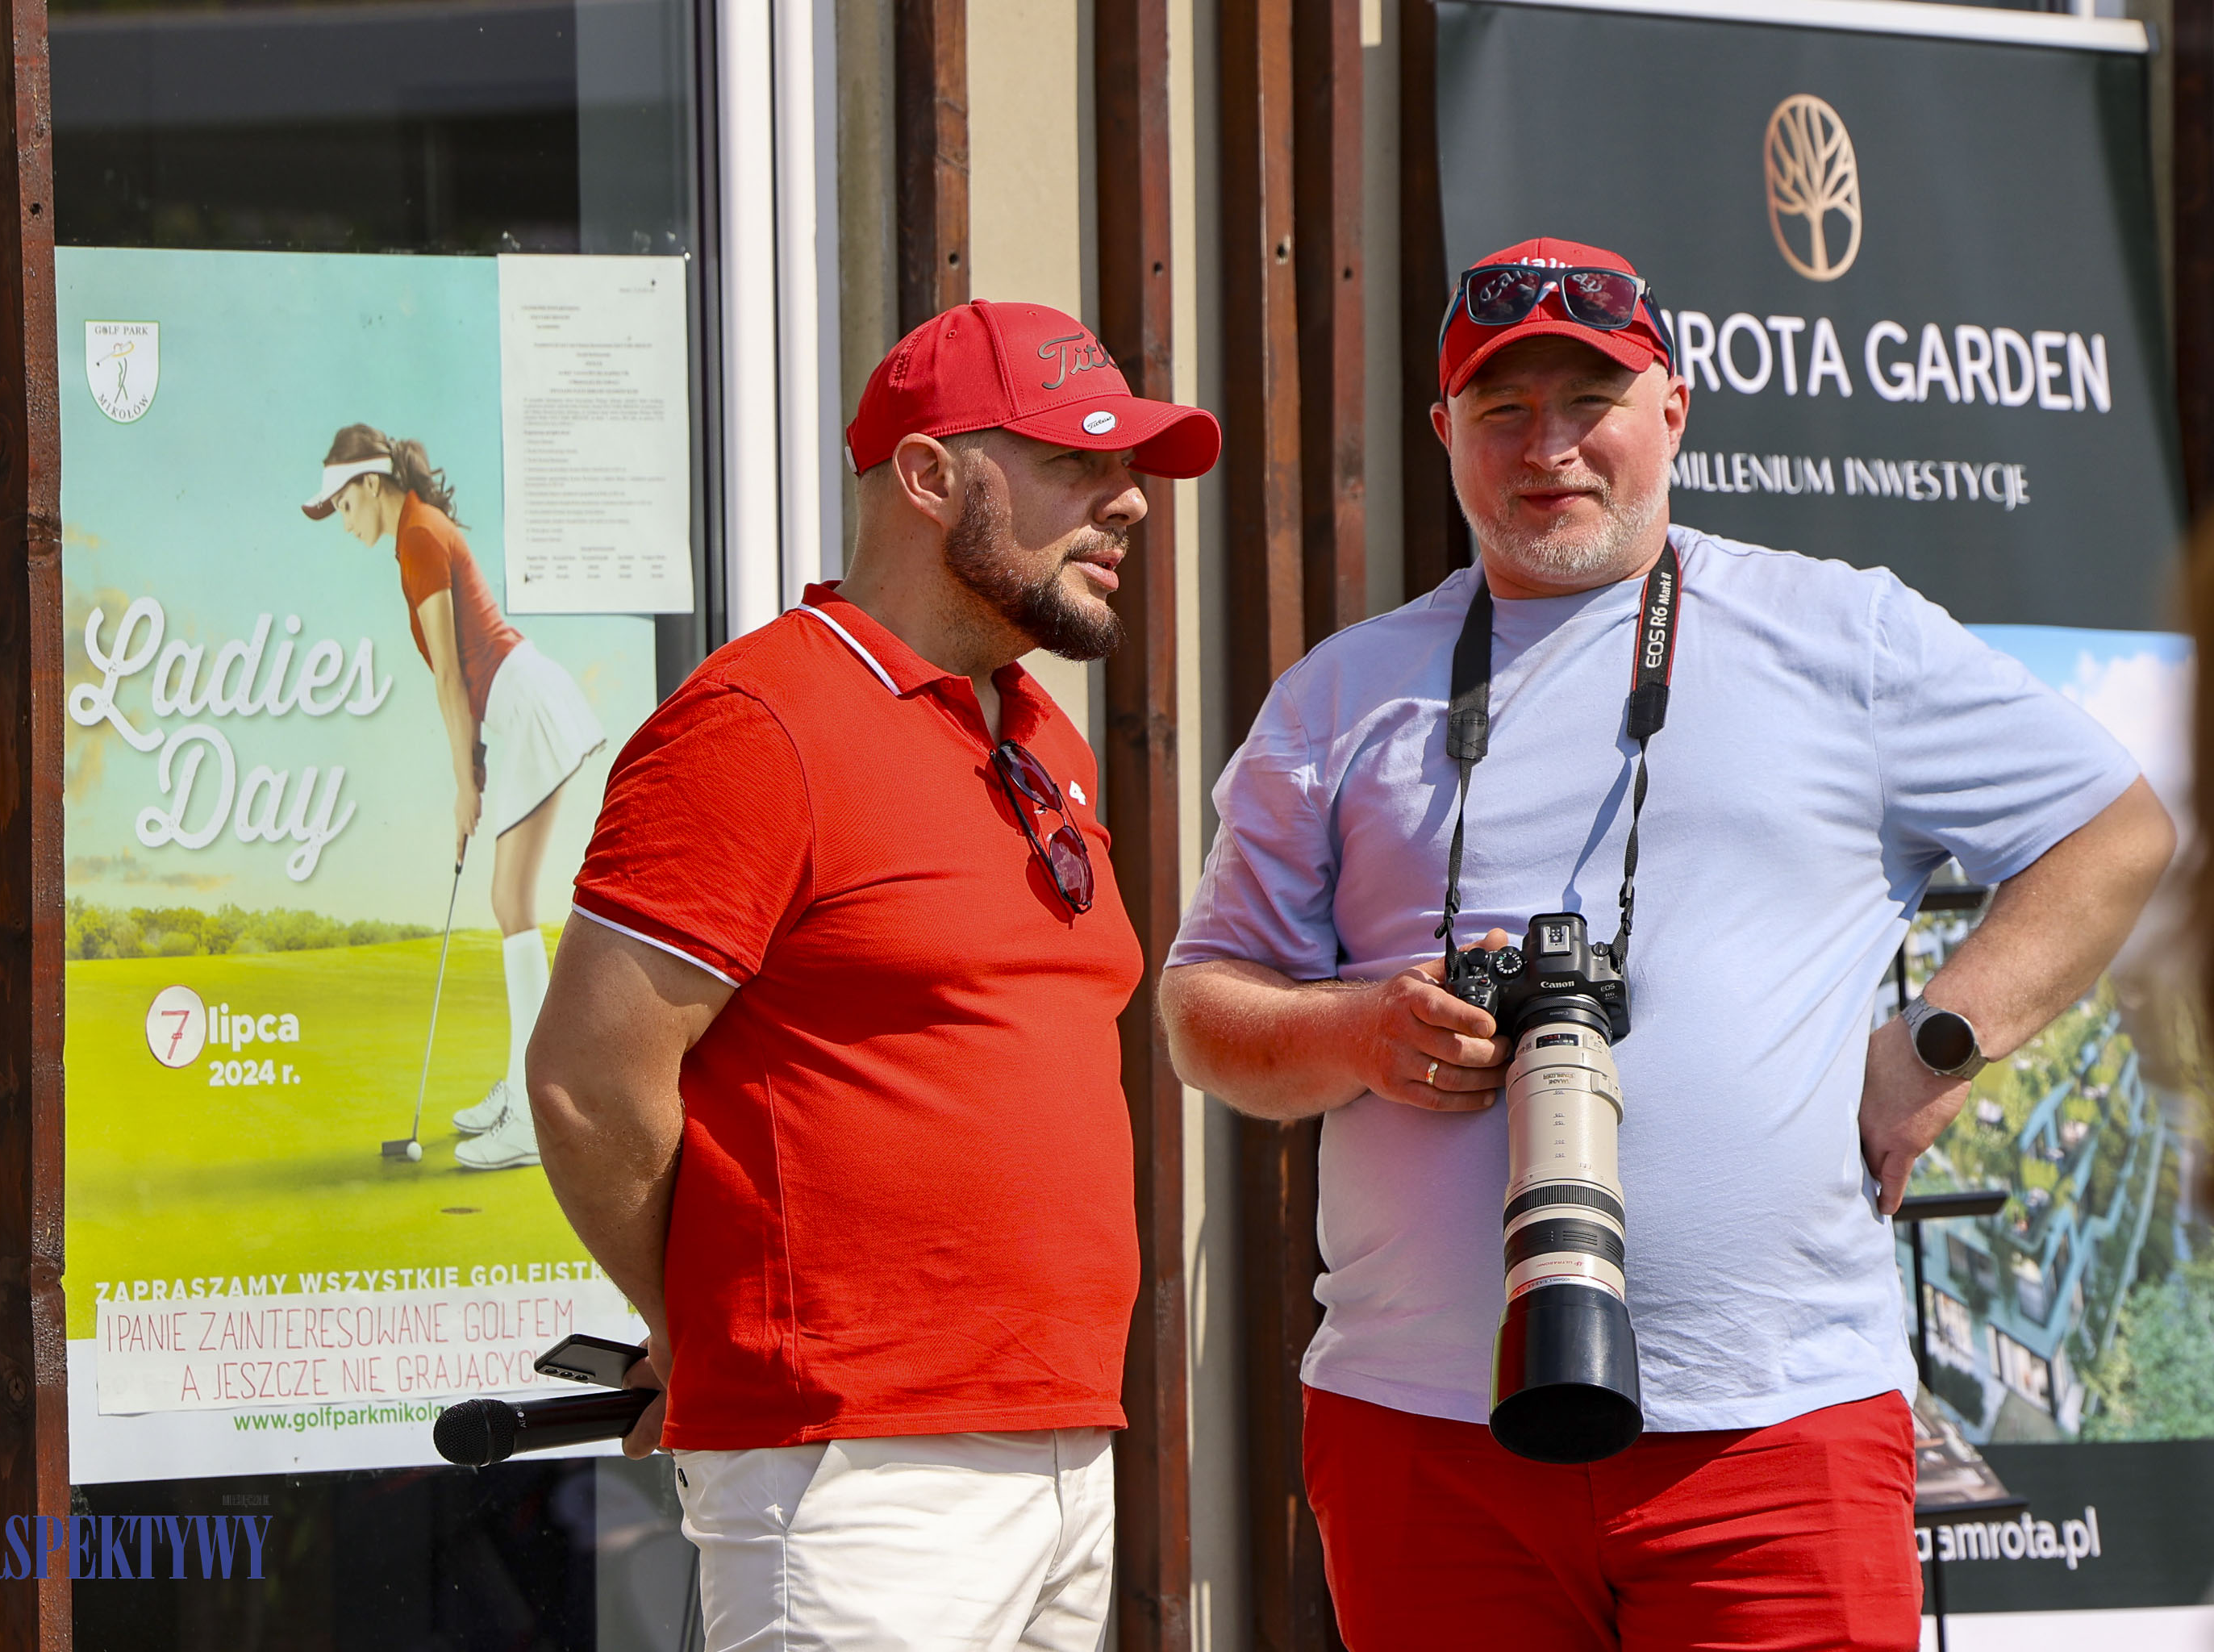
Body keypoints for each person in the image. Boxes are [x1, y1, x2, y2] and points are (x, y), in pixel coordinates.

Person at [1159, 237, 2174, 1651]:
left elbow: (2114, 832)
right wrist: (1354, 1033)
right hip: (1425, 1433)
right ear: (1442, 430)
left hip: (1772, 1427)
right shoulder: (1341, 693)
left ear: (1672, 409)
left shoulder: (1842, 634)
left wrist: (1937, 1040)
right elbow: (1203, 1007)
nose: (1548, 448)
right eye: (1502, 410)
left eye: (1591, 400)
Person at [522, 300, 1219, 1650]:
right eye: (1078, 464)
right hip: (853, 1464)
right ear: (927, 474)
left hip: (1067, 1442)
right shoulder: (756, 723)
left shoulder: (1039, 737)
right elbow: (588, 1079)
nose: (1125, 505)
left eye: (1127, 468)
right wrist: (695, 1323)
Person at [303, 423, 606, 1170]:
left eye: (343, 505)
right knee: (509, 905)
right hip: (516, 706)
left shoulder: (417, 539)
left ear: (370, 484)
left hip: (527, 705)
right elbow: (460, 682)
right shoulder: (417, 531)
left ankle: (536, 1118)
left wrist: (464, 785)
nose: (344, 522)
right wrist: (471, 766)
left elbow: (448, 677)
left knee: (511, 903)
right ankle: (516, 1085)